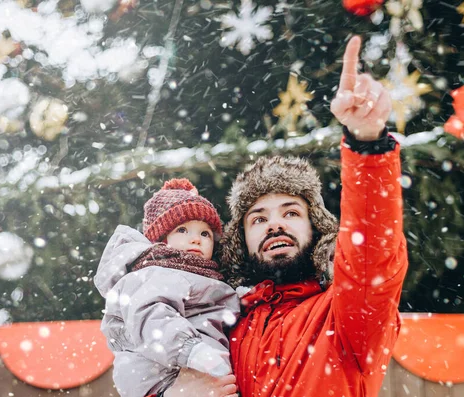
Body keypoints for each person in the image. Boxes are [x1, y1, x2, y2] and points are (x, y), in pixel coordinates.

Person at [161, 35, 406, 397]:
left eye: (290, 212)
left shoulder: (347, 317)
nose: (275, 224)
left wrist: (367, 141)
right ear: (240, 242)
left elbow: (372, 253)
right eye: (257, 219)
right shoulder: (216, 325)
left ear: (317, 228)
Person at [94, 178, 241, 397]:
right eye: (183, 230)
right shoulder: (157, 272)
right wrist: (192, 350)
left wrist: (243, 298)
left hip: (199, 376)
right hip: (163, 374)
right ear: (162, 239)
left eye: (205, 233)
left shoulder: (204, 275)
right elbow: (151, 316)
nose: (196, 240)